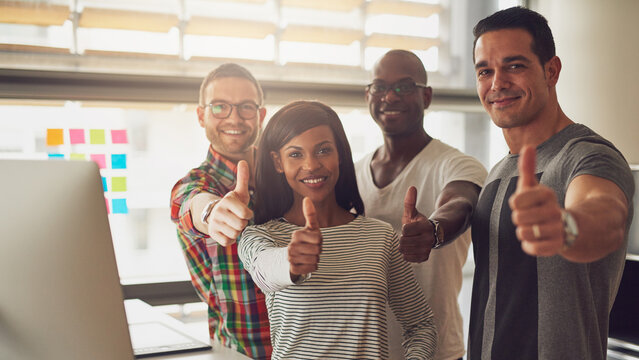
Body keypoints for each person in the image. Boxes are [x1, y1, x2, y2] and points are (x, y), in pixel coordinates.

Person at [469, 7, 634, 360]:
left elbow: (604, 214)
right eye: (485, 71)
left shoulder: (589, 155)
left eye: (514, 66)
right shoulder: (498, 171)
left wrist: (566, 226)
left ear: (551, 70)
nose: (497, 83)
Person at [238, 100, 438, 360]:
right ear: (278, 162)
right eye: (295, 154)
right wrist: (292, 261)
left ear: (340, 154)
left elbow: (421, 325)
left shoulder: (381, 236)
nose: (311, 165)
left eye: (323, 150)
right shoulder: (261, 236)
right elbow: (264, 271)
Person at [355, 49, 487, 360]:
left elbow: (461, 202)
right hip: (364, 351)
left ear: (426, 96)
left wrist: (434, 230)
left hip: (435, 352)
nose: (390, 97)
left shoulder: (458, 165)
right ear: (368, 95)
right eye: (380, 87)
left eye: (403, 86)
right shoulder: (350, 173)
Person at [170, 63, 271, 359]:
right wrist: (212, 213)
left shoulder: (286, 176)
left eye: (246, 107)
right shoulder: (194, 184)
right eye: (220, 107)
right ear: (201, 115)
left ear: (261, 115)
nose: (234, 118)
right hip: (240, 354)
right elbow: (189, 204)